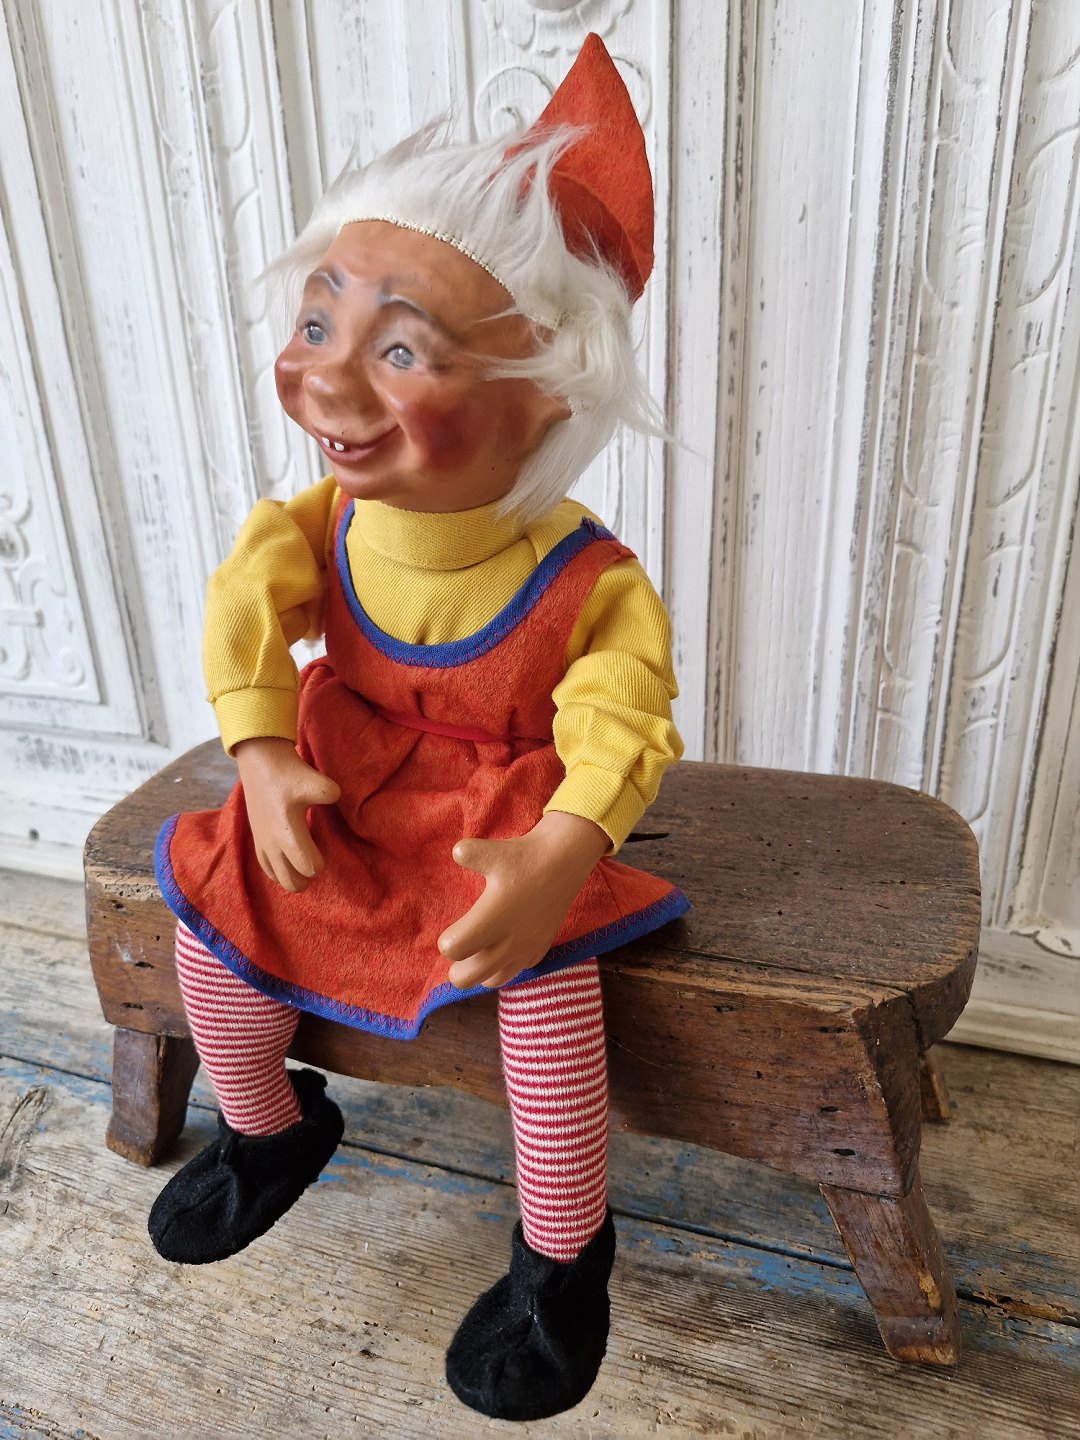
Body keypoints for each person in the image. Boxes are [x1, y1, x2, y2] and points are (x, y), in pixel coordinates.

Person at [149, 33, 688, 1422]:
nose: (328, 380)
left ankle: (563, 1256)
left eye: (399, 351)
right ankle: (268, 1126)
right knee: (215, 919)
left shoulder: (582, 576)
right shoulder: (325, 520)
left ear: (544, 398)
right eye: (318, 325)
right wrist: (262, 750)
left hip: (499, 822)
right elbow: (248, 603)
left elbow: (624, 711)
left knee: (548, 997)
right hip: (337, 782)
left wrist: (566, 847)